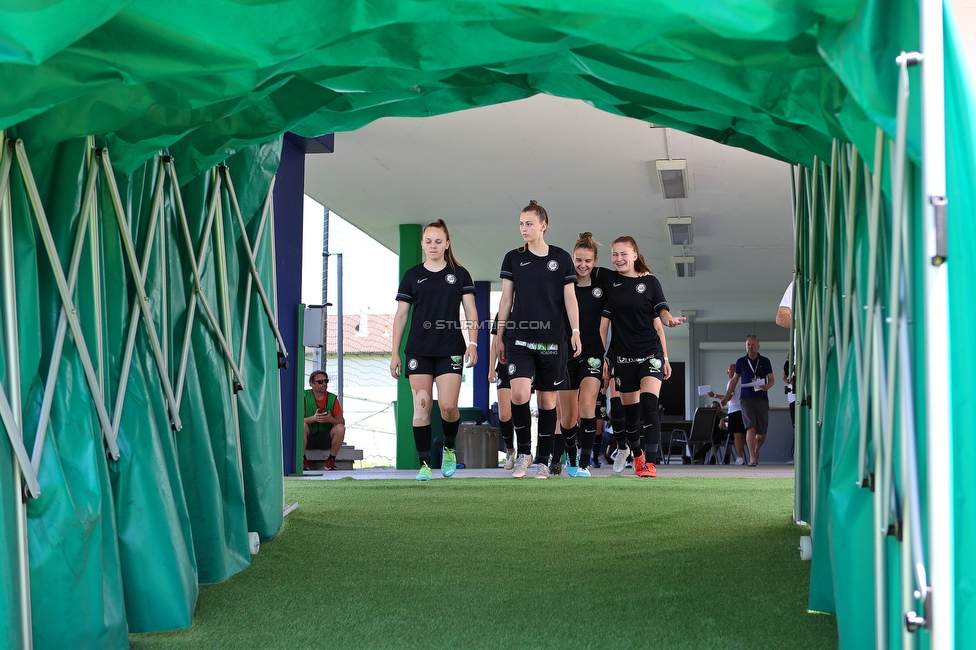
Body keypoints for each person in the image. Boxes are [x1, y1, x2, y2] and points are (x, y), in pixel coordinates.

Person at [495, 200, 582, 479]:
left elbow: (570, 298)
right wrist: (499, 335)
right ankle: (524, 453)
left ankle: (543, 461)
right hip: (519, 337)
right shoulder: (513, 258)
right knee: (518, 394)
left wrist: (576, 331)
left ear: (543, 226)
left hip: (553, 340)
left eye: (529, 223)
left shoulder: (561, 258)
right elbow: (506, 299)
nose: (524, 228)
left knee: (547, 402)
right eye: (521, 223)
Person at [391, 219, 479, 481]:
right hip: (418, 350)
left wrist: (473, 343)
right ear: (422, 244)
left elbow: (471, 311)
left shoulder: (460, 274)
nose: (433, 245)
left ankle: (450, 449)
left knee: (449, 408)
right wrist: (395, 352)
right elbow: (401, 316)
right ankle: (425, 465)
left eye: (438, 241)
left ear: (447, 243)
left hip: (451, 348)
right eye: (428, 241)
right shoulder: (412, 275)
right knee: (421, 406)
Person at [595, 236, 684, 478]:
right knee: (630, 417)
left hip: (650, 354)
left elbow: (662, 313)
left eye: (624, 254)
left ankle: (651, 464)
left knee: (649, 407)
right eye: (615, 254)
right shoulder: (608, 279)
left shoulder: (650, 282)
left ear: (635, 255)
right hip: (623, 359)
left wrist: (670, 322)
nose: (619, 259)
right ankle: (637, 456)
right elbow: (581, 267)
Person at [557, 232, 609, 478]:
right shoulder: (564, 285)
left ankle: (585, 463)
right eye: (578, 260)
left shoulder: (602, 287)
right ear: (572, 259)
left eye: (588, 261)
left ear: (595, 260)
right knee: (568, 417)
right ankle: (571, 453)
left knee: (587, 406)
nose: (583, 265)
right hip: (565, 354)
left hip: (592, 353)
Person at [721, 336, 775, 466]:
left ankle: (756, 451)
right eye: (748, 345)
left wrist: (767, 386)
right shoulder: (740, 362)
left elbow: (772, 379)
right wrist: (726, 396)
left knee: (761, 434)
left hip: (761, 398)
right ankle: (752, 458)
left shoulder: (765, 361)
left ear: (758, 346)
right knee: (750, 428)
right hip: (746, 399)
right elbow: (734, 380)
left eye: (752, 344)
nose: (750, 347)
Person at [302, 370, 346, 470]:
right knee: (302, 425)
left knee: (340, 428)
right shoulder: (304, 396)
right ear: (311, 384)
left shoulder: (332, 398)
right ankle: (303, 459)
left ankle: (331, 460)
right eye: (320, 382)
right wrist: (313, 418)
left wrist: (331, 419)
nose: (324, 384)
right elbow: (296, 420)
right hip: (309, 437)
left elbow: (341, 421)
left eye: (326, 381)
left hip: (326, 437)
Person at [489, 314, 516, 469]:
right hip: (504, 367)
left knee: (521, 410)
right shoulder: (502, 314)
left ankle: (525, 452)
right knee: (504, 414)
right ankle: (510, 449)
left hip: (525, 366)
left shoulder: (530, 308)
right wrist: (491, 368)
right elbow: (494, 344)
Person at [710, 364, 746, 464]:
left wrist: (716, 396)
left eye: (728, 370)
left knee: (737, 434)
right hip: (744, 410)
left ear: (734, 371)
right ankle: (742, 456)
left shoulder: (733, 382)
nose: (727, 373)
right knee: (742, 435)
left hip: (735, 410)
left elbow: (729, 396)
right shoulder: (744, 381)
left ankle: (739, 457)